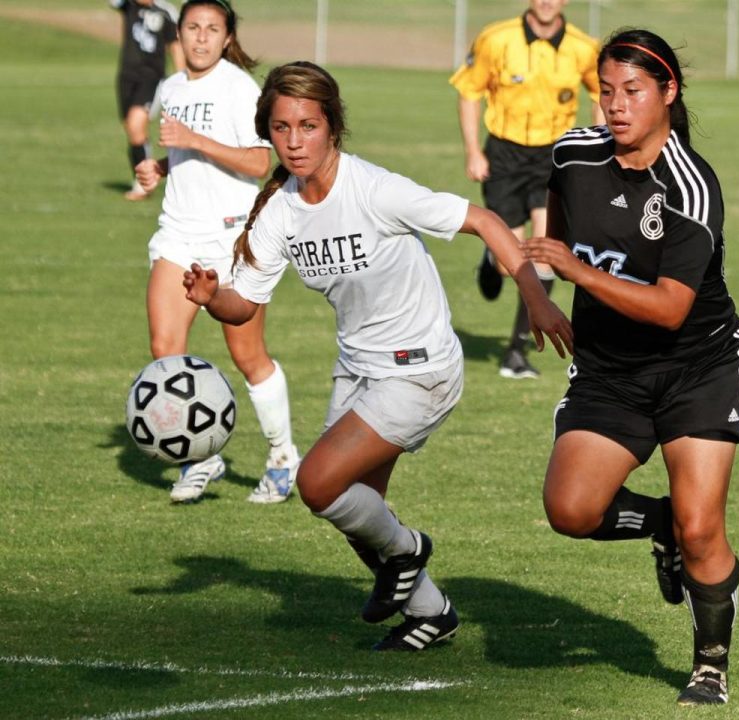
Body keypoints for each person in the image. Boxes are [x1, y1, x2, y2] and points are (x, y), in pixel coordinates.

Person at [181, 61, 573, 649]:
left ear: (332, 127)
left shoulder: (375, 189)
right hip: (359, 369)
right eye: (282, 127)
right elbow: (244, 306)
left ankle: (412, 551)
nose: (294, 141)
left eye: (308, 126)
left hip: (420, 369)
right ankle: (432, 614)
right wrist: (214, 297)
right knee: (361, 511)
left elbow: (486, 221)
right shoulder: (281, 211)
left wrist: (537, 299)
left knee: (318, 484)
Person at [523, 29, 739, 706]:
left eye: (634, 91)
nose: (616, 106)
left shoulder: (690, 186)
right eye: (607, 91)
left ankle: (710, 662)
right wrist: (539, 295)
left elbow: (670, 310)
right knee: (570, 509)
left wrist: (574, 271)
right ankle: (660, 526)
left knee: (704, 526)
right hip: (608, 370)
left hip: (696, 365)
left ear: (668, 93)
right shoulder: (573, 152)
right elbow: (550, 239)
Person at [134, 0, 301, 505]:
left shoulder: (238, 88)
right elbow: (188, 152)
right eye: (192, 28)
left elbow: (257, 161)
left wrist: (192, 140)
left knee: (247, 354)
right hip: (179, 235)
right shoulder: (172, 87)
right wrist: (162, 167)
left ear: (227, 37)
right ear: (179, 33)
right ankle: (199, 455)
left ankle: (282, 456)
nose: (201, 38)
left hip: (233, 239)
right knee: (165, 349)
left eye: (212, 29)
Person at [449, 0, 602, 379]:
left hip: (554, 156)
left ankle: (516, 351)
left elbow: (601, 94)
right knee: (508, 263)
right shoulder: (496, 39)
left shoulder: (584, 48)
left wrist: (599, 151)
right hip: (504, 155)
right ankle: (491, 258)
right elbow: (469, 91)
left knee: (545, 253)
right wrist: (472, 151)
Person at [110, 0, 185, 200]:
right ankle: (143, 175)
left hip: (151, 78)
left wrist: (182, 82)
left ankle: (143, 185)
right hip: (126, 77)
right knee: (133, 131)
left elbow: (175, 47)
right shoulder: (128, 5)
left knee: (135, 125)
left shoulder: (165, 12)